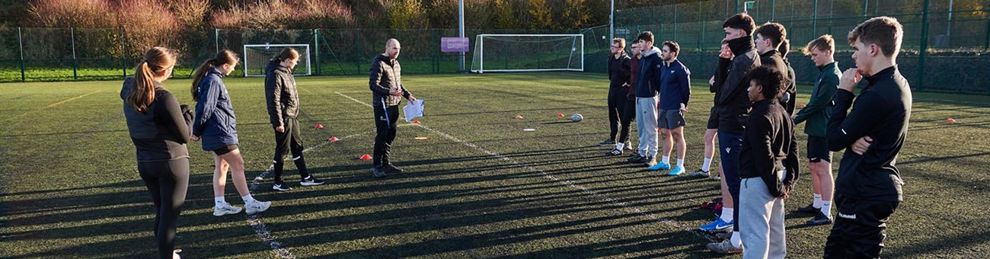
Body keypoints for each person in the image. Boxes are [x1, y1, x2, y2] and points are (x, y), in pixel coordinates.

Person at [824, 16, 912, 258]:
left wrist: (843, 92)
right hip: (869, 188)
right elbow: (853, 132)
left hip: (865, 191)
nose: (853, 55)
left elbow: (833, 139)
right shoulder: (889, 83)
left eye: (857, 49)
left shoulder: (879, 93)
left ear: (873, 49)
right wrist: (852, 137)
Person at [120, 47, 187, 259]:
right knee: (169, 215)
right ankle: (167, 255)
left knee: (161, 210)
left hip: (145, 161)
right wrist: (187, 115)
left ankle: (167, 252)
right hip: (171, 161)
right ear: (165, 71)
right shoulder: (164, 97)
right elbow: (184, 135)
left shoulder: (129, 86)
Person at [191, 50, 274, 216]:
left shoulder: (211, 78)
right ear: (225, 65)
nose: (233, 70)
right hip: (220, 132)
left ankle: (220, 204)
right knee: (238, 164)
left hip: (218, 131)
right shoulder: (213, 80)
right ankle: (249, 202)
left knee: (222, 166)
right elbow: (206, 107)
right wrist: (196, 130)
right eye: (233, 67)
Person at [707, 13, 761, 254]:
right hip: (734, 124)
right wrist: (723, 64)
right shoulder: (741, 57)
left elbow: (721, 96)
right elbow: (717, 88)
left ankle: (738, 239)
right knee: (735, 182)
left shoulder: (744, 60)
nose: (725, 38)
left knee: (737, 184)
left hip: (734, 126)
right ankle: (737, 232)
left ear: (740, 33)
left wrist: (724, 69)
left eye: (728, 34)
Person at [737, 66, 800, 259]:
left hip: (760, 180)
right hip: (777, 177)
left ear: (761, 88)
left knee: (755, 235)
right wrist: (788, 182)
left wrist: (776, 186)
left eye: (751, 85)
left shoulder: (759, 115)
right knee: (775, 234)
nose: (748, 89)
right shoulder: (782, 112)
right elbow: (793, 151)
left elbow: (763, 156)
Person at [793, 34, 840, 226]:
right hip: (816, 128)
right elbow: (814, 104)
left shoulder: (832, 75)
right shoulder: (824, 72)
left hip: (824, 129)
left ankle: (826, 212)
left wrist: (794, 119)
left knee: (823, 168)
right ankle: (817, 204)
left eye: (815, 54)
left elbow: (818, 104)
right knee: (814, 166)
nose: (812, 58)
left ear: (828, 52)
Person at [265, 47, 325, 191]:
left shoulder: (287, 72)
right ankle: (277, 181)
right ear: (286, 61)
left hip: (292, 115)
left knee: (297, 147)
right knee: (282, 150)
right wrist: (278, 121)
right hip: (284, 117)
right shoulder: (275, 74)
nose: (296, 64)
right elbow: (273, 100)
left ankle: (305, 177)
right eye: (294, 61)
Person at [369, 38, 417, 178]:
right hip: (382, 105)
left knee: (391, 134)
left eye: (399, 49)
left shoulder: (396, 64)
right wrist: (389, 92)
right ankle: (376, 166)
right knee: (382, 135)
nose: (397, 51)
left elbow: (398, 84)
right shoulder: (378, 63)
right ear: (387, 48)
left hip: (395, 104)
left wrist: (408, 95)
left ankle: (386, 163)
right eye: (394, 48)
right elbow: (373, 85)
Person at [649, 41, 691, 176]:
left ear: (673, 53)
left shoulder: (681, 69)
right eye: (663, 50)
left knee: (677, 135)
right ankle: (665, 162)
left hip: (675, 107)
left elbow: (686, 91)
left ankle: (680, 166)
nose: (662, 53)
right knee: (664, 134)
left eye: (665, 51)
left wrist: (683, 105)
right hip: (664, 106)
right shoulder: (663, 67)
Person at [627, 32, 661, 167]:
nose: (639, 44)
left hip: (649, 97)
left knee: (650, 127)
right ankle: (642, 153)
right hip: (639, 96)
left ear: (649, 43)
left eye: (642, 42)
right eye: (639, 42)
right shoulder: (644, 57)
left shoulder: (656, 57)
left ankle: (653, 156)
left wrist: (657, 94)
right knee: (641, 127)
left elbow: (658, 79)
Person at [604, 38, 632, 154]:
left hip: (622, 91)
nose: (612, 48)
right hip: (613, 89)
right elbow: (611, 74)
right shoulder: (611, 58)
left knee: (624, 116)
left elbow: (633, 74)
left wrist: (627, 84)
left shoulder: (627, 60)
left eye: (614, 47)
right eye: (611, 46)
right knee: (612, 114)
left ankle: (627, 141)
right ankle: (612, 138)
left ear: (621, 48)